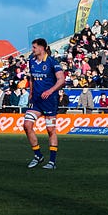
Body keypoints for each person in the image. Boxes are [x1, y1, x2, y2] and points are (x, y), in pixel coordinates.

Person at [23, 38, 66, 170]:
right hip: (36, 100)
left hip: (49, 101)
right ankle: (38, 155)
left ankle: (52, 162)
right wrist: (31, 93)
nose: (32, 50)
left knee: (50, 130)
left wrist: (50, 90)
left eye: (34, 47)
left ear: (42, 48)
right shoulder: (31, 61)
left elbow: (61, 80)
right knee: (27, 125)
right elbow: (32, 79)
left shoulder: (52, 62)